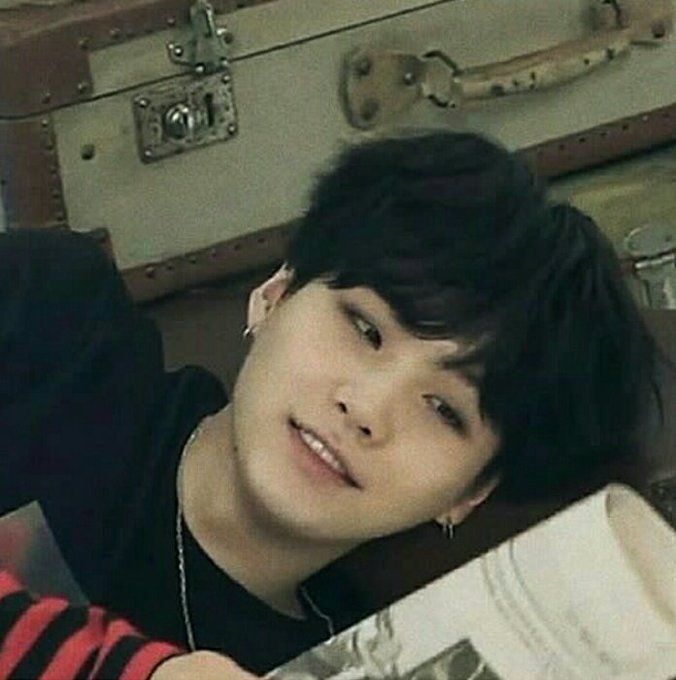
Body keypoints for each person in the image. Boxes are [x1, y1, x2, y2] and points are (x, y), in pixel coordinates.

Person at [0, 132, 659, 677]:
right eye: (365, 328)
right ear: (276, 296)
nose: (367, 408)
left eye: (444, 410)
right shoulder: (53, 325)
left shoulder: (345, 662)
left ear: (470, 492)